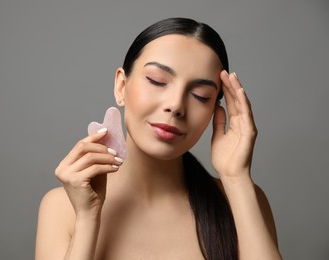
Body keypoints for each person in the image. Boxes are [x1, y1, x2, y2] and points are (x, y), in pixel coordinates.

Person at [35, 17, 282, 260]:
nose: (176, 105)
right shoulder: (61, 208)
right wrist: (87, 218)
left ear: (215, 110)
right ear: (121, 86)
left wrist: (236, 178)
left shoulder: (241, 200)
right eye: (157, 81)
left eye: (201, 95)